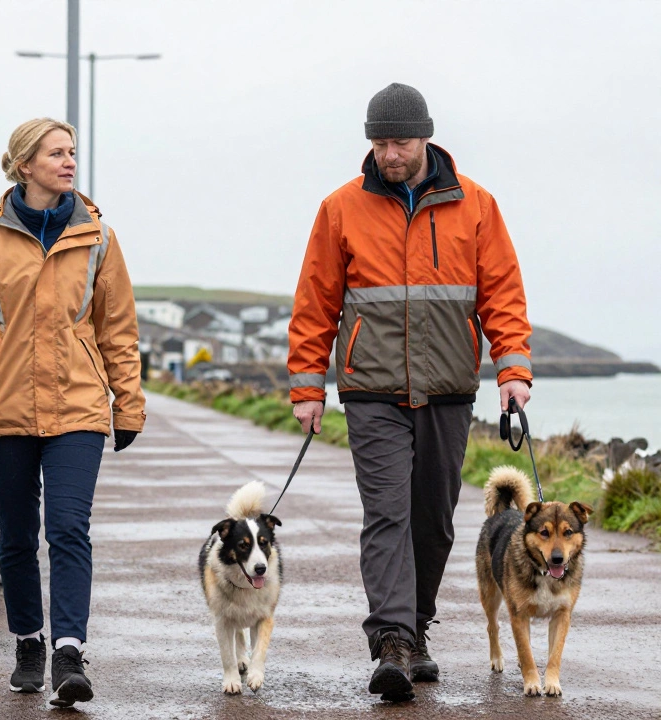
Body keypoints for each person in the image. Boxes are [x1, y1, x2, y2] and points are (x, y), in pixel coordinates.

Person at [287, 83, 533, 701]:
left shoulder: (476, 205)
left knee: (434, 519)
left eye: (399, 141)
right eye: (379, 142)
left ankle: (417, 626)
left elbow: (501, 291)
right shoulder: (340, 207)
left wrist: (513, 372)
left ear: (425, 136)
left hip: (449, 387)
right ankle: (392, 640)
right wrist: (307, 385)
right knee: (388, 515)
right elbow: (316, 299)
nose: (389, 154)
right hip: (371, 389)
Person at [0, 118, 146, 708]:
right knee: (17, 537)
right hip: (2, 409)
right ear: (24, 164)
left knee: (69, 528)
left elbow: (119, 330)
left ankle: (69, 652)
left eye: (72, 152)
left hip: (78, 409)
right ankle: (29, 640)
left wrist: (128, 404)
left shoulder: (99, 238)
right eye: (56, 153)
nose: (69, 162)